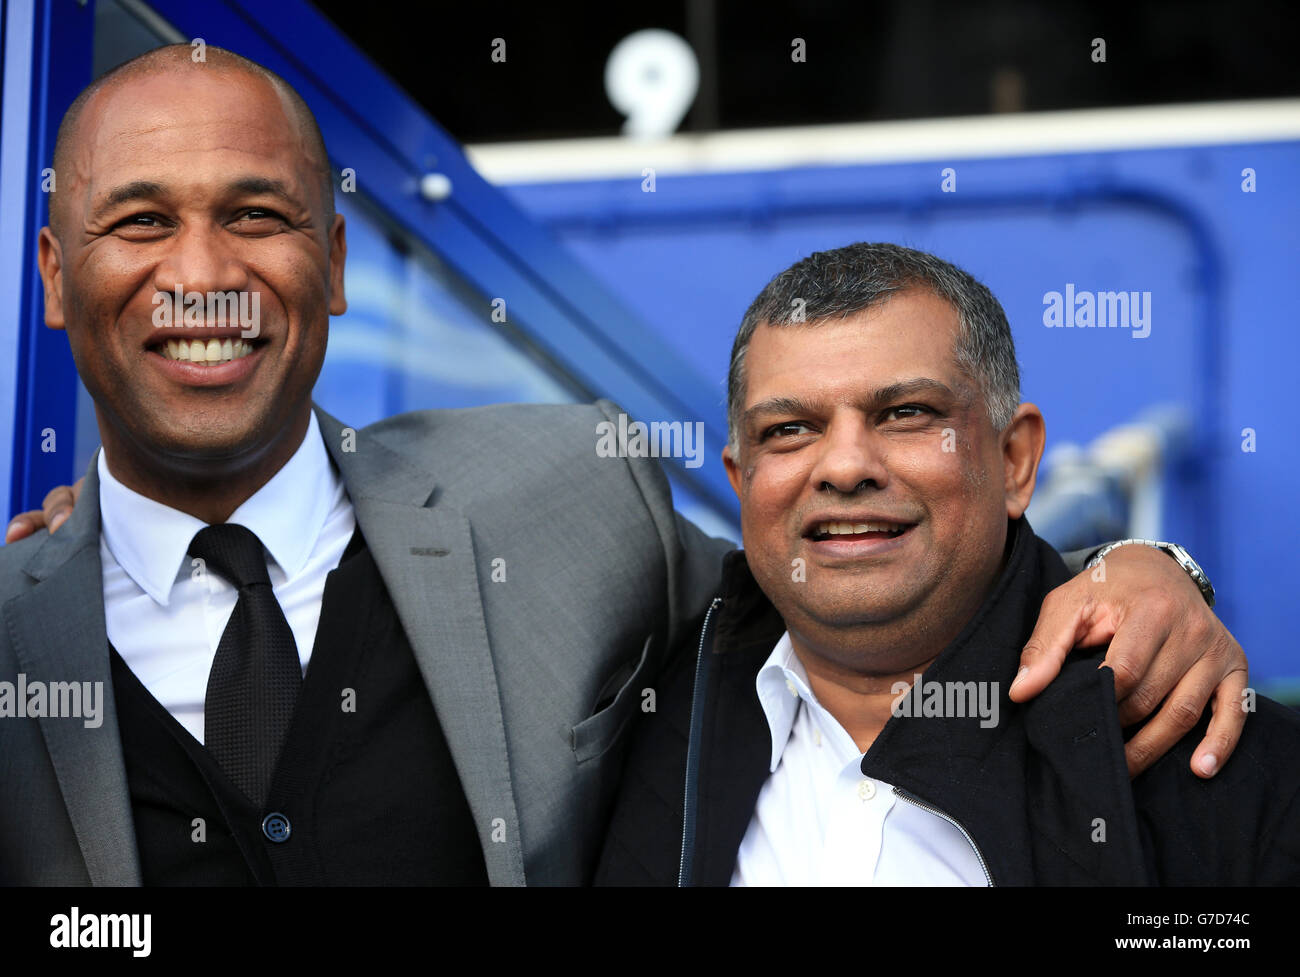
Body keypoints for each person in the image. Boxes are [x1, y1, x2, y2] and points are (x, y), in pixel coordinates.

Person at [0, 46, 1248, 886]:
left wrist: (1138, 566)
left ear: (331, 262)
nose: (205, 274)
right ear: (55, 276)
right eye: (142, 219)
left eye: (257, 215)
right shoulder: (17, 624)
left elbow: (854, 581)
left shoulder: (570, 495)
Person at [595, 243, 1296, 886]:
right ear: (742, 480)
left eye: (905, 412)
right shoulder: (624, 703)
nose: (843, 466)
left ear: (1015, 459)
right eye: (789, 429)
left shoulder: (1230, 770)